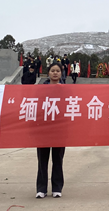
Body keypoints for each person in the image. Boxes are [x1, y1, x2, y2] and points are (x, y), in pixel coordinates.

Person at [36, 63, 67, 198]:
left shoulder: (66, 90)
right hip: (43, 129)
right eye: (52, 70)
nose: (55, 73)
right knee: (42, 159)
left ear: (61, 73)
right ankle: (41, 189)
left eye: (57, 71)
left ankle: (57, 187)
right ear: (48, 73)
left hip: (60, 129)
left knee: (58, 159)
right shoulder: (40, 89)